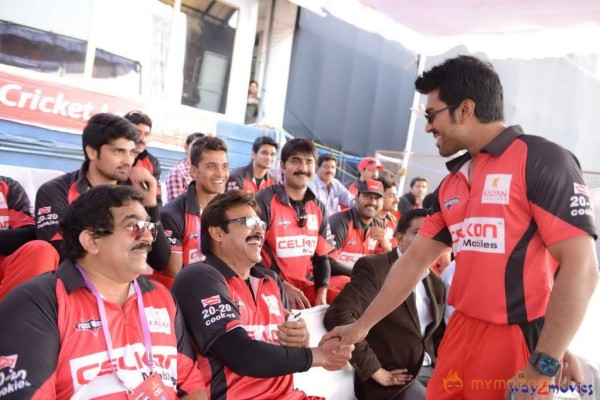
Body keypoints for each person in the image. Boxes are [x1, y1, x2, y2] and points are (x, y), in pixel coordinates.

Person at [322, 55, 598, 400]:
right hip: (459, 334)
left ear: (465, 109)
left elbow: (583, 269)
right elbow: (411, 262)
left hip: (516, 339)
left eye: (431, 115)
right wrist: (361, 327)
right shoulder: (451, 184)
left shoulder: (542, 160)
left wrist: (545, 360)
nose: (427, 127)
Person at [0, 185, 207, 399]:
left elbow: (190, 384)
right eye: (134, 226)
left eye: (150, 227)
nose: (148, 237)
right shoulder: (37, 302)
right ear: (92, 240)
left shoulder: (162, 297)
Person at [172, 190, 353, 400]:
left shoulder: (271, 281)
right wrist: (318, 356)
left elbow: (284, 350)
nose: (259, 230)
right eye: (248, 222)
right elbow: (241, 356)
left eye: (261, 224)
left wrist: (301, 338)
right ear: (217, 233)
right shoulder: (198, 278)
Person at [324, 209, 445, 400]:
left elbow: (436, 335)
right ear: (399, 237)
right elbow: (339, 315)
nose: (426, 241)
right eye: (418, 233)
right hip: (393, 380)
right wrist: (374, 369)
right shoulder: (375, 267)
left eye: (431, 235)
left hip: (432, 373)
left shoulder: (435, 282)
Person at [34, 113, 171, 271]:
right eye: (118, 151)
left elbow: (159, 260)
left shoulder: (134, 193)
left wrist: (150, 204)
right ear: (92, 152)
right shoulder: (57, 190)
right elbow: (60, 252)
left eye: (132, 152)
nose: (128, 161)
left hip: (125, 283)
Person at [256, 138, 348, 309]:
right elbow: (247, 257)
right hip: (268, 287)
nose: (303, 168)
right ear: (283, 166)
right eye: (296, 161)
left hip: (303, 289)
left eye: (309, 162)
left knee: (351, 300)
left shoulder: (318, 207)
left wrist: (321, 295)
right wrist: (281, 285)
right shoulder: (264, 201)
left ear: (315, 168)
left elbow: (322, 258)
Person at [161, 136, 229, 278]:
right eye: (211, 166)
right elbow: (173, 275)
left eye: (224, 166)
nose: (220, 173)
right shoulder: (172, 214)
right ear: (194, 171)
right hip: (185, 292)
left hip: (219, 286)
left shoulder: (230, 210)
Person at [0, 176, 59, 300]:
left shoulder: (7, 185)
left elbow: (30, 233)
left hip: (5, 264)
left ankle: (13, 315)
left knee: (41, 250)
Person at [328, 179, 390, 276]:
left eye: (377, 198)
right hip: (333, 282)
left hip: (357, 283)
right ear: (356, 199)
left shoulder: (380, 226)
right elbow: (328, 263)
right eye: (367, 196)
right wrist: (360, 275)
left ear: (382, 203)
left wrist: (387, 246)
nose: (372, 202)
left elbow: (384, 266)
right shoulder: (339, 221)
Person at [308, 152, 355, 217]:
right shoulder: (311, 184)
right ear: (318, 168)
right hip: (316, 222)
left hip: (332, 224)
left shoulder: (336, 184)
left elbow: (349, 200)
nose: (330, 170)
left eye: (333, 167)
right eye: (326, 167)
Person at [165, 132, 206, 202]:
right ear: (186, 147)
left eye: (203, 147)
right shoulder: (177, 172)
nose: (199, 150)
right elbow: (175, 207)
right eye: (195, 146)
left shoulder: (205, 173)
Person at [376, 176, 400, 249]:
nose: (397, 200)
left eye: (396, 195)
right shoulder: (365, 220)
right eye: (391, 196)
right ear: (379, 197)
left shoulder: (393, 221)